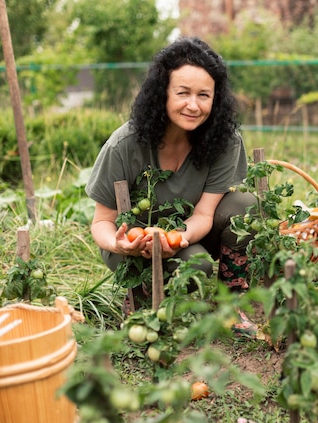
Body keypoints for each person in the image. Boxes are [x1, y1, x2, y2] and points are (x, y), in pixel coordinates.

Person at [85, 37, 257, 333]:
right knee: (197, 267)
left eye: (204, 95)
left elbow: (204, 215)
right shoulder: (124, 145)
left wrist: (176, 239)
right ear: (162, 93)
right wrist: (120, 243)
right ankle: (138, 298)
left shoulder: (224, 141)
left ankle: (231, 304)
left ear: (216, 98)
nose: (193, 105)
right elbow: (102, 221)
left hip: (186, 232)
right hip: (131, 244)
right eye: (183, 93)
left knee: (245, 204)